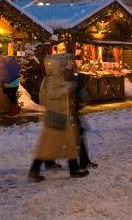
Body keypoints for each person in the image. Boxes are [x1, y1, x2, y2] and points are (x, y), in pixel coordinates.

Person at [28, 54, 89, 182]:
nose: (69, 63)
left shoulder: (59, 76)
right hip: (55, 115)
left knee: (70, 143)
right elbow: (51, 95)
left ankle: (74, 170)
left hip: (62, 114)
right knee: (48, 145)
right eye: (66, 62)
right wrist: (65, 88)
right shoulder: (52, 78)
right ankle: (34, 171)